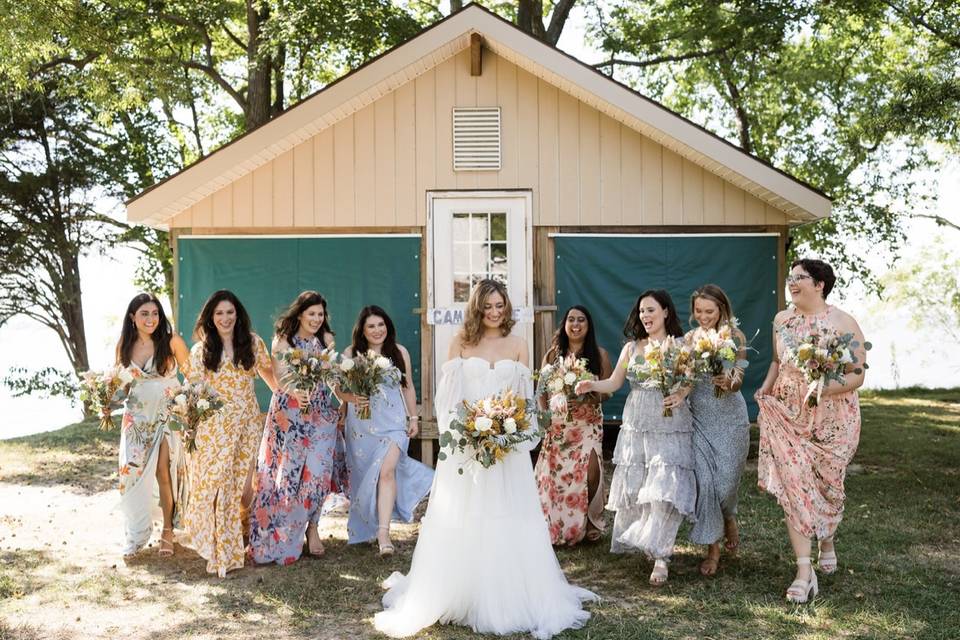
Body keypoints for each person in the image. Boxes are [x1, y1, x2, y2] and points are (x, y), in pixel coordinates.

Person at [374, 280, 596, 639]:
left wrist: (509, 431)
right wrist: (471, 432)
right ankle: (460, 589)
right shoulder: (460, 343)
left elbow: (525, 402)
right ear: (477, 309)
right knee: (465, 512)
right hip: (469, 446)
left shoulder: (520, 344)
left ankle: (512, 591)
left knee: (509, 512)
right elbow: (448, 400)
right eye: (488, 306)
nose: (495, 312)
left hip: (507, 448)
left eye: (500, 305)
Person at [756, 259, 867, 603]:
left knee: (827, 485)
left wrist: (824, 390)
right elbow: (777, 362)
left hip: (833, 416)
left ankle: (827, 538)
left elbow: (858, 373)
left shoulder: (842, 322)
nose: (792, 282)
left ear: (819, 284)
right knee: (795, 487)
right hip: (788, 412)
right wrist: (764, 390)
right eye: (790, 277)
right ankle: (804, 571)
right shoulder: (782, 320)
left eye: (799, 277)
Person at [575, 290, 696, 586]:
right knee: (642, 484)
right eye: (641, 311)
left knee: (664, 484)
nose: (645, 316)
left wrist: (680, 393)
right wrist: (592, 383)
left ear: (666, 312)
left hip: (670, 423)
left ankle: (661, 556)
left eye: (651, 310)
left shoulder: (680, 345)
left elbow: (690, 380)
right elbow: (615, 382)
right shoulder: (632, 348)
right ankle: (651, 539)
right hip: (637, 422)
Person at [181, 290, 278, 577]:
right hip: (215, 426)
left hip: (246, 421)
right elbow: (193, 391)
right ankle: (215, 549)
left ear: (238, 314)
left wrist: (286, 402)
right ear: (211, 317)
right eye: (219, 313)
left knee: (236, 486)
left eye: (230, 312)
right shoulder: (201, 350)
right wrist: (189, 424)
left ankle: (229, 552)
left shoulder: (253, 342)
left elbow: (269, 374)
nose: (225, 318)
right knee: (213, 484)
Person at [249, 291, 340, 565]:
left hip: (321, 412)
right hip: (290, 412)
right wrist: (295, 391)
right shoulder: (283, 340)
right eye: (311, 313)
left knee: (317, 473)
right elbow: (280, 377)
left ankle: (312, 527)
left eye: (320, 314)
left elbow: (331, 376)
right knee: (287, 475)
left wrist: (344, 398)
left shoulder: (326, 339)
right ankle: (287, 533)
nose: (316, 319)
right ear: (300, 314)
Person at [337, 306, 433, 555]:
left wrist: (413, 418)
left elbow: (408, 387)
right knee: (364, 477)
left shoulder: (399, 352)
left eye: (381, 325)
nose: (377, 330)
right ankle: (366, 528)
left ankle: (384, 533)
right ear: (362, 330)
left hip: (393, 424)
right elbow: (339, 391)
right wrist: (354, 398)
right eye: (371, 326)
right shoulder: (351, 354)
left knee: (387, 471)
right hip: (361, 426)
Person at [113, 293, 190, 557]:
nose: (150, 319)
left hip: (167, 415)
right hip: (137, 419)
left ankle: (168, 531)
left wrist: (192, 409)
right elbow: (120, 385)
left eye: (155, 313)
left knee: (163, 470)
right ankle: (136, 533)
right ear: (133, 317)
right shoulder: (124, 345)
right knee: (132, 474)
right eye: (144, 314)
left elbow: (193, 377)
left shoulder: (171, 341)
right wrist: (104, 398)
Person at [685, 285, 750, 576]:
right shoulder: (689, 339)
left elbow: (739, 377)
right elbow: (683, 377)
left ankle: (729, 515)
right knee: (706, 485)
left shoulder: (736, 337)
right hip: (699, 417)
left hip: (730, 417)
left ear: (722, 309)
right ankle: (712, 549)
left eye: (709, 311)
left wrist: (729, 382)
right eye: (698, 311)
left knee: (725, 484)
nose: (703, 316)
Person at [534, 305, 612, 546]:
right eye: (571, 320)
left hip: (587, 423)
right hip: (559, 426)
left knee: (591, 470)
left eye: (581, 320)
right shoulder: (552, 355)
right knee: (558, 476)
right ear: (564, 325)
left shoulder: (599, 355)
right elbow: (542, 390)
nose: (576, 324)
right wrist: (545, 415)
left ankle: (591, 520)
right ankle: (558, 524)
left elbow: (607, 391)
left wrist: (587, 394)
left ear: (589, 326)